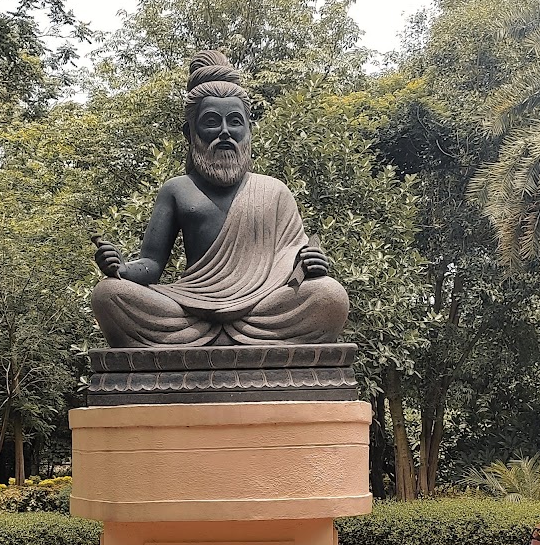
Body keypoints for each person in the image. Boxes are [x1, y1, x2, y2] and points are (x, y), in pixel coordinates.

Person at [91, 51, 350, 348]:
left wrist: (311, 262)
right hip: (190, 311)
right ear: (190, 132)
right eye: (212, 122)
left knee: (329, 296)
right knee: (108, 294)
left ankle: (218, 345)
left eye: (235, 122)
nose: (225, 133)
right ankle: (240, 346)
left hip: (261, 309)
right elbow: (151, 264)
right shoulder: (177, 189)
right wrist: (121, 270)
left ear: (248, 130)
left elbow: (293, 261)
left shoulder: (274, 190)